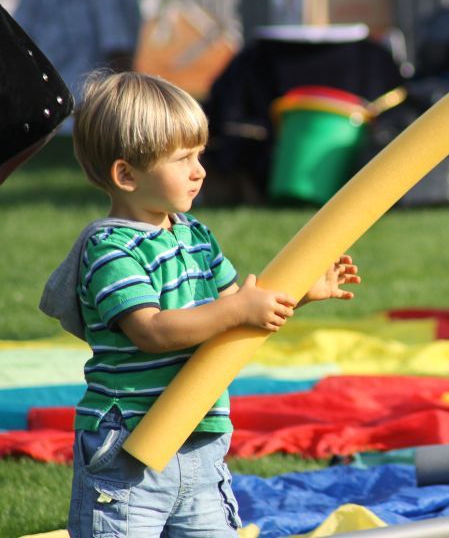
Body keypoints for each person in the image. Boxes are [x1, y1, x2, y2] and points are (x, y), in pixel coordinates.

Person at [39, 72, 361, 536]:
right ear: (126, 174)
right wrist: (236, 310)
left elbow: (237, 312)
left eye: (200, 155)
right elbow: (151, 330)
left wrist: (300, 294)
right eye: (183, 158)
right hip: (129, 448)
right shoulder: (110, 249)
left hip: (200, 444)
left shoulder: (195, 236)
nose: (200, 170)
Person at [14, 0, 141, 105]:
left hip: (89, 113)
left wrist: (116, 112)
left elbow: (119, 49)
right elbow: (16, 42)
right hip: (46, 109)